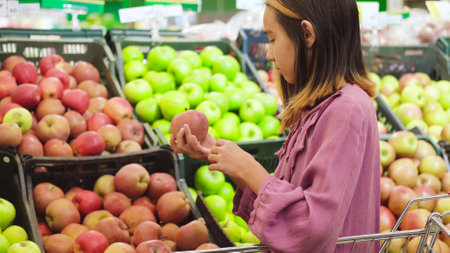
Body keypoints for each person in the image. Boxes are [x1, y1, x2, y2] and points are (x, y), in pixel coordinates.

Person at [170, 0, 381, 252]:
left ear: (307, 34)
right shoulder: (322, 106)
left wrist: (249, 168)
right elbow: (288, 208)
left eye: (272, 39)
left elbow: (313, 228)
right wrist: (219, 155)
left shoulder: (347, 109)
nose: (269, 54)